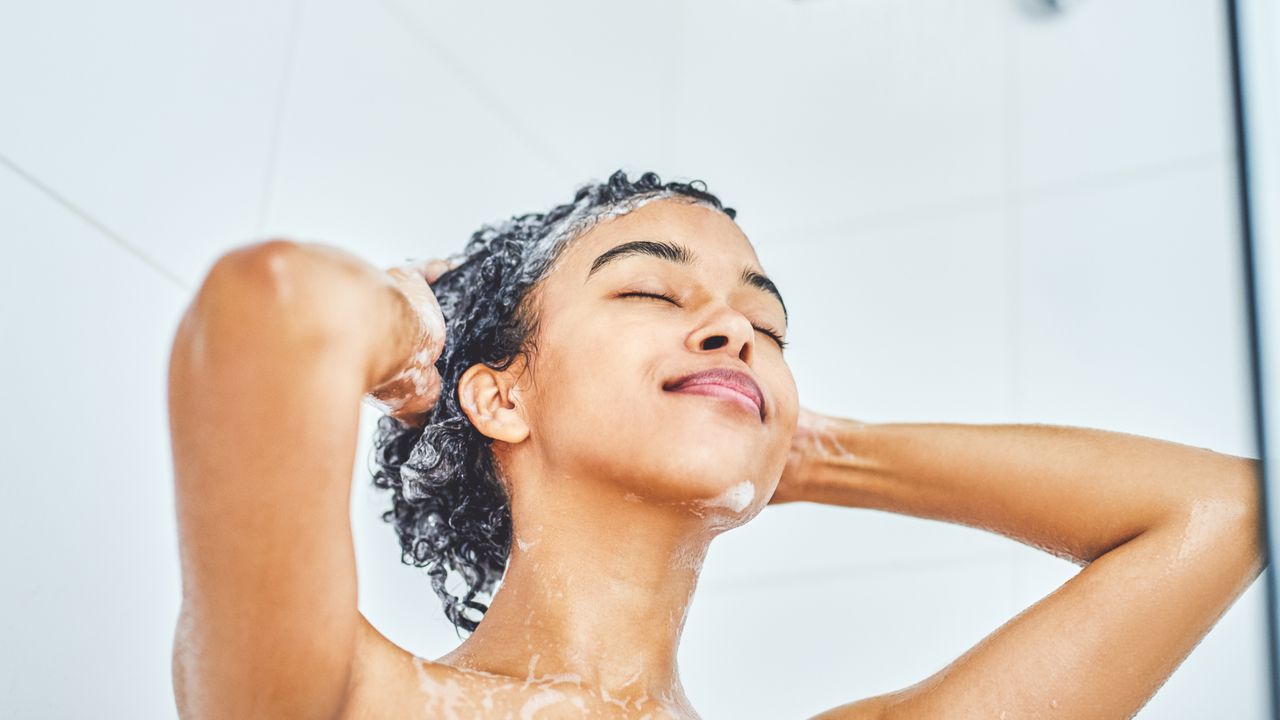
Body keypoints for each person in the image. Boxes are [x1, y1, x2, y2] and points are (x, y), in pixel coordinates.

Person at [169, 169, 1266, 719]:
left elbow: (1221, 511)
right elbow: (274, 304)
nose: (736, 329)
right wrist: (418, 331)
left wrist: (800, 447)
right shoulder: (345, 699)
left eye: (767, 329)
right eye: (650, 288)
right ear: (501, 398)